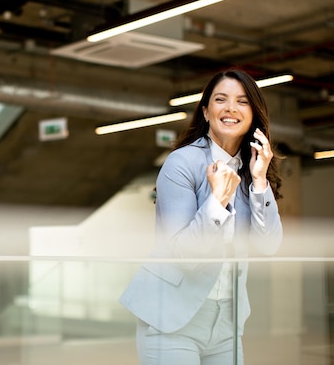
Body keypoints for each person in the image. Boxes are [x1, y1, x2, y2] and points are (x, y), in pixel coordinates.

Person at [120, 69, 283, 365]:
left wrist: (260, 182)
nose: (231, 108)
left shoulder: (252, 169)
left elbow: (270, 245)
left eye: (242, 102)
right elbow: (184, 253)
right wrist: (217, 202)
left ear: (254, 115)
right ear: (206, 112)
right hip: (171, 316)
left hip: (226, 322)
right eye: (220, 100)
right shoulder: (181, 162)